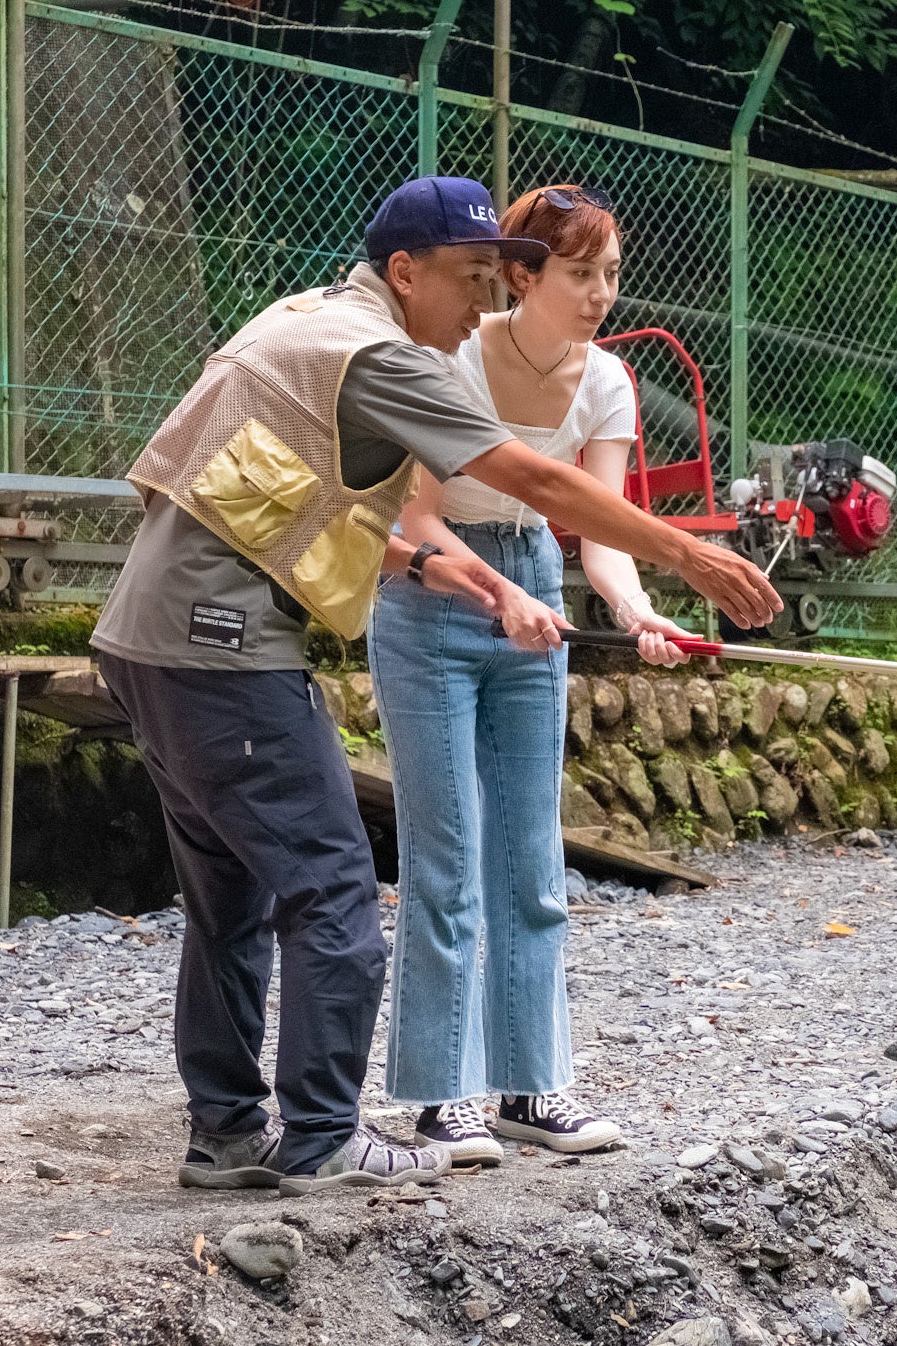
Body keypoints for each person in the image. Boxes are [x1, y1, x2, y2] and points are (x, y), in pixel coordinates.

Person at [89, 176, 779, 1197]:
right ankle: (323, 1133)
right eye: (469, 278)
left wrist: (431, 565)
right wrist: (692, 556)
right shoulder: (381, 355)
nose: (480, 301)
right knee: (332, 890)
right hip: (221, 645)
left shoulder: (304, 320)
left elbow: (261, 491)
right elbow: (537, 485)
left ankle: (230, 1135)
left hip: (146, 632)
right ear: (406, 272)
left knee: (230, 899)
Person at [366, 184, 687, 1166]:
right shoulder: (455, 354)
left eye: (612, 276)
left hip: (536, 590)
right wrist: (488, 593)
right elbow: (409, 520)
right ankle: (437, 1097)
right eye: (581, 274)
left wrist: (635, 613)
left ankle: (534, 1087)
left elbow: (596, 532)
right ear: (523, 275)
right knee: (447, 855)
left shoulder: (608, 384)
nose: (600, 294)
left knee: (530, 855)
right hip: (434, 598)